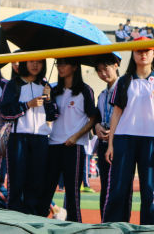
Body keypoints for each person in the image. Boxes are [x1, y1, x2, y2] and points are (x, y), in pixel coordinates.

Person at [103, 44, 154, 225]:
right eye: (139, 50)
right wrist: (110, 144)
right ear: (133, 53)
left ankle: (148, 228)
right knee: (118, 188)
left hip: (151, 140)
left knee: (149, 191)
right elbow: (116, 113)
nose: (143, 54)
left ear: (153, 53)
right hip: (124, 138)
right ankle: (112, 227)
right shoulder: (123, 81)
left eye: (146, 51)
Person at [0, 59, 58, 215]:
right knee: (16, 181)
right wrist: (27, 105)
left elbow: (54, 114)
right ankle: (14, 218)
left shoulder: (46, 86)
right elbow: (5, 112)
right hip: (18, 138)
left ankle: (33, 217)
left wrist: (49, 99)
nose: (35, 65)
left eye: (39, 62)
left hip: (40, 139)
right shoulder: (14, 84)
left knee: (37, 182)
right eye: (31, 61)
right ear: (25, 63)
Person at [43, 58, 99, 223]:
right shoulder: (53, 89)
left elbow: (93, 118)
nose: (60, 67)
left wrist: (76, 136)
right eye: (58, 63)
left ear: (75, 66)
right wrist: (47, 99)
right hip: (53, 144)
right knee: (46, 191)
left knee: (72, 194)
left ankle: (76, 227)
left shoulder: (85, 90)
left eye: (64, 63)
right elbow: (50, 116)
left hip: (74, 147)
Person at [93, 55, 123, 221]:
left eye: (106, 68)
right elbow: (97, 118)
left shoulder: (126, 88)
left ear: (116, 65)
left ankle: (117, 223)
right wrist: (97, 126)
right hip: (104, 145)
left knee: (119, 187)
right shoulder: (102, 94)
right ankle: (104, 222)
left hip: (120, 144)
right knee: (105, 186)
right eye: (99, 70)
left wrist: (113, 129)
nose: (103, 73)